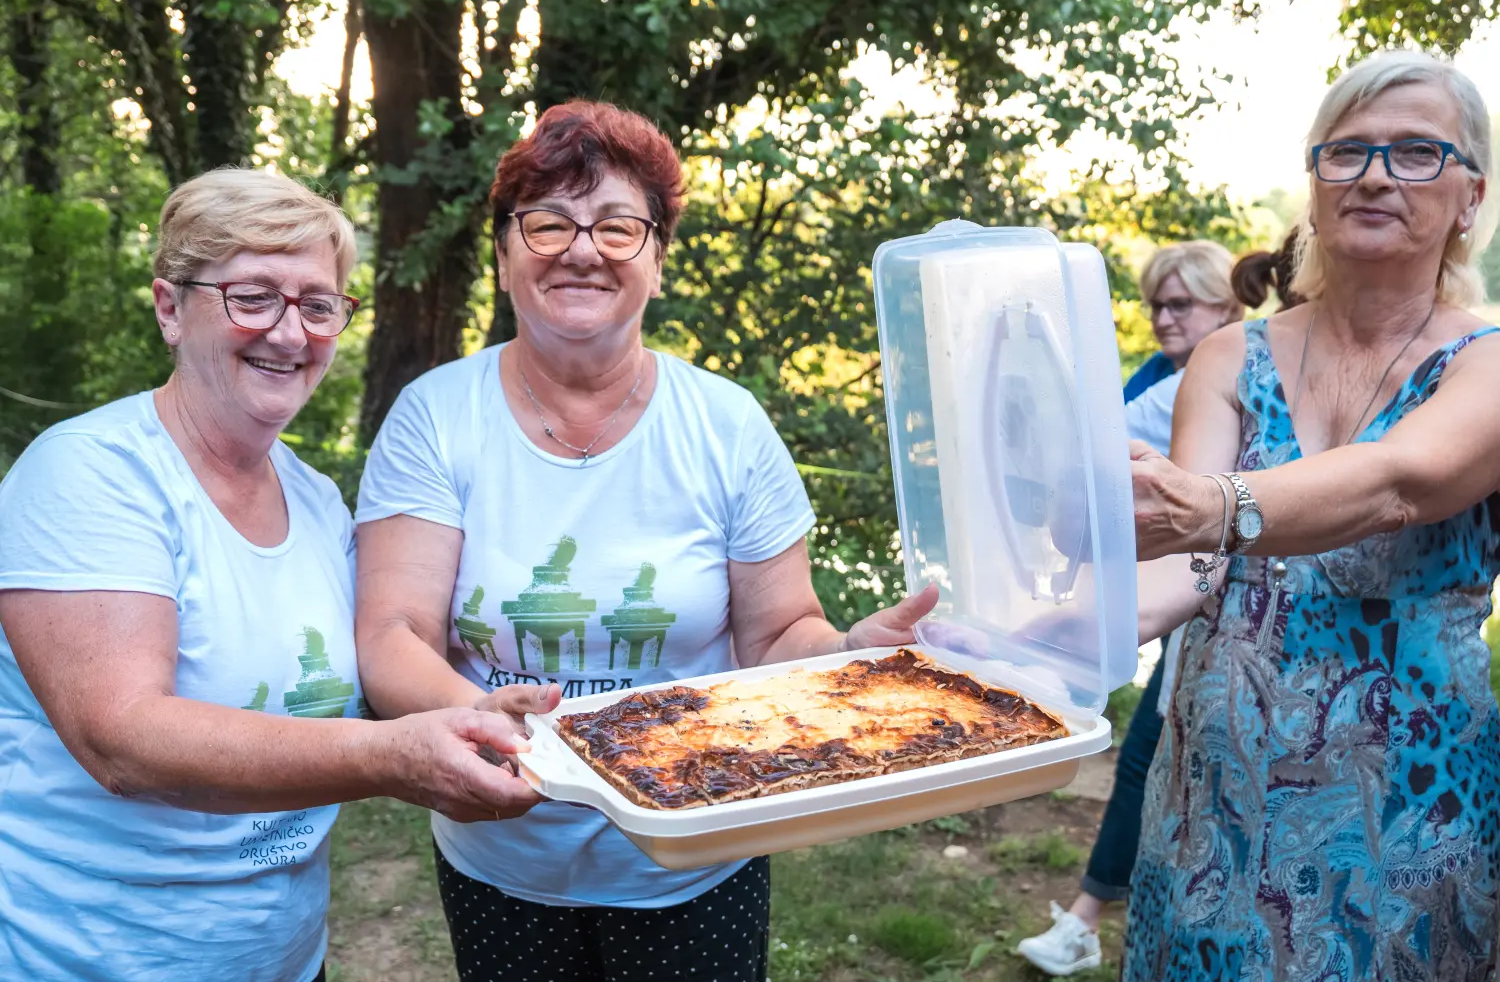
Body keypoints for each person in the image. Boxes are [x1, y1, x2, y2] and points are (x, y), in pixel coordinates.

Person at [353, 100, 937, 982]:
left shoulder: (728, 424)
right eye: (547, 223)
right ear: (505, 257)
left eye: (620, 227)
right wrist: (483, 721)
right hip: (502, 852)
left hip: (696, 850)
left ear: (657, 262)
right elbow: (392, 634)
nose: (583, 249)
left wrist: (853, 652)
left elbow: (778, 635)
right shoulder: (435, 416)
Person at [0, 169, 550, 982]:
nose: (291, 334)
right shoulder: (88, 476)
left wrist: (475, 713)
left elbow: (346, 676)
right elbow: (120, 739)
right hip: (90, 960)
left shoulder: (317, 500)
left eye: (318, 305)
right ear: (168, 307)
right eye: (252, 296)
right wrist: (390, 758)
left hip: (286, 960)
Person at [1123, 50, 1500, 980]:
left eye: (1418, 153)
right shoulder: (1226, 356)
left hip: (1412, 825)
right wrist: (1037, 637)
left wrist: (1205, 507)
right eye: (1348, 152)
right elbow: (1189, 566)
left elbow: (1399, 482)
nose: (1375, 174)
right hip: (1212, 817)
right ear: (1315, 181)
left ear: (1469, 197)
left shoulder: (1487, 363)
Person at [1017, 241, 1245, 976]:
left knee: (1156, 759)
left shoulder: (1223, 384)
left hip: (1232, 617)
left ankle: (1101, 916)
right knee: (1149, 757)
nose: (1163, 318)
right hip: (1176, 606)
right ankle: (1103, 917)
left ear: (1226, 307)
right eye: (1155, 304)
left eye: (1181, 304)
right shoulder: (1158, 380)